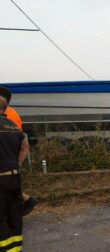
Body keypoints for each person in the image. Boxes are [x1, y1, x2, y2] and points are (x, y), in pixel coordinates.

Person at [0, 87, 38, 216]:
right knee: (9, 186)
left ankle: (26, 201)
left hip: (6, 155)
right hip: (12, 155)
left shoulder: (8, 115)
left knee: (7, 186)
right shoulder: (11, 113)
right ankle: (25, 202)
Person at [0, 97, 30, 252]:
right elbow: (25, 148)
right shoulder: (14, 127)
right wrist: (17, 163)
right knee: (14, 216)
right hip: (14, 176)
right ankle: (15, 249)